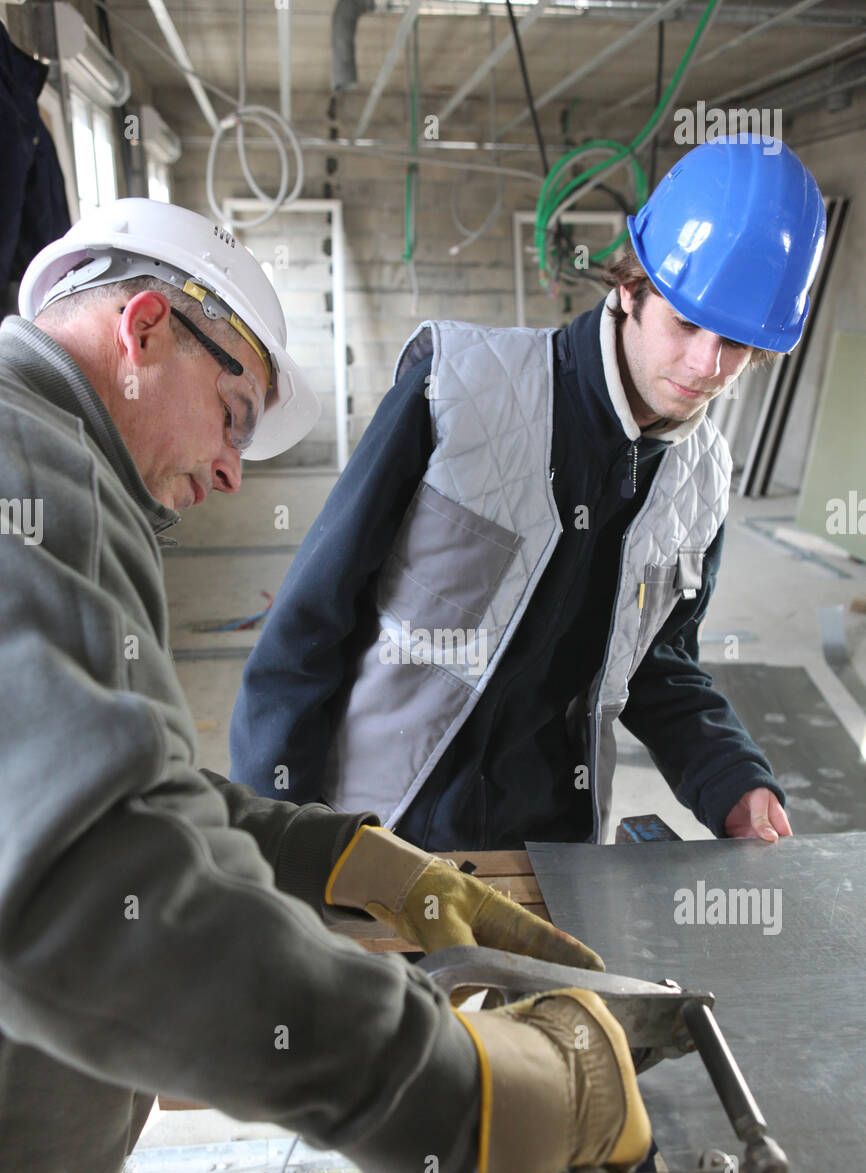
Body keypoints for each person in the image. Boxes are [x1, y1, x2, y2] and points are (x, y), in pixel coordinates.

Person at [0, 197, 652, 1173]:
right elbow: (86, 887)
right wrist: (453, 1097)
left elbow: (111, 791)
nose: (230, 473)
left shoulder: (57, 460)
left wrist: (343, 858)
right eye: (234, 414)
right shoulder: (23, 463)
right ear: (145, 328)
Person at [230, 135, 826, 853]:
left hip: (555, 849)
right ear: (630, 287)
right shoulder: (457, 387)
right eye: (688, 323)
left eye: (735, 342)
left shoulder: (704, 476)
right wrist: (279, 827)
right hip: (384, 826)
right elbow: (309, 625)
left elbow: (657, 663)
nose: (707, 363)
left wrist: (733, 777)